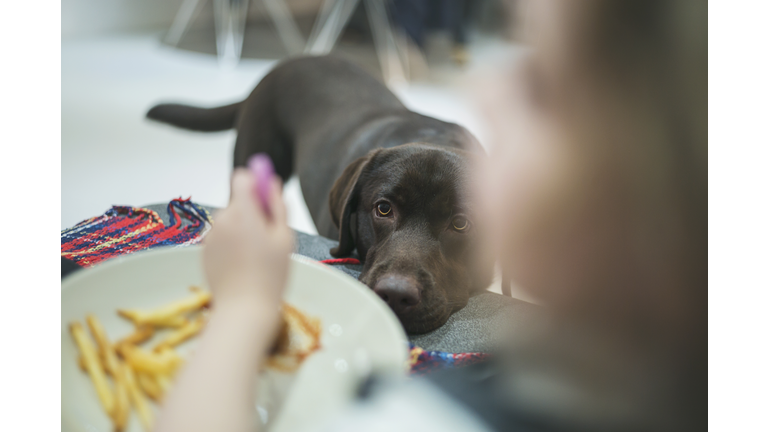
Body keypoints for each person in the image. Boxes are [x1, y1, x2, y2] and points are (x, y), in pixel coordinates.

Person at [155, 1, 707, 431]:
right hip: (280, 98)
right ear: (354, 214)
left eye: (538, 87)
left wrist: (245, 306)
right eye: (385, 211)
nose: (485, 93)